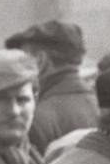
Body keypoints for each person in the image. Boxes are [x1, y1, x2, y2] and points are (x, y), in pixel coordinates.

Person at [5, 21, 98, 154]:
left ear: (41, 61)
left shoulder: (34, 119)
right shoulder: (104, 107)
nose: (19, 69)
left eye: (24, 60)